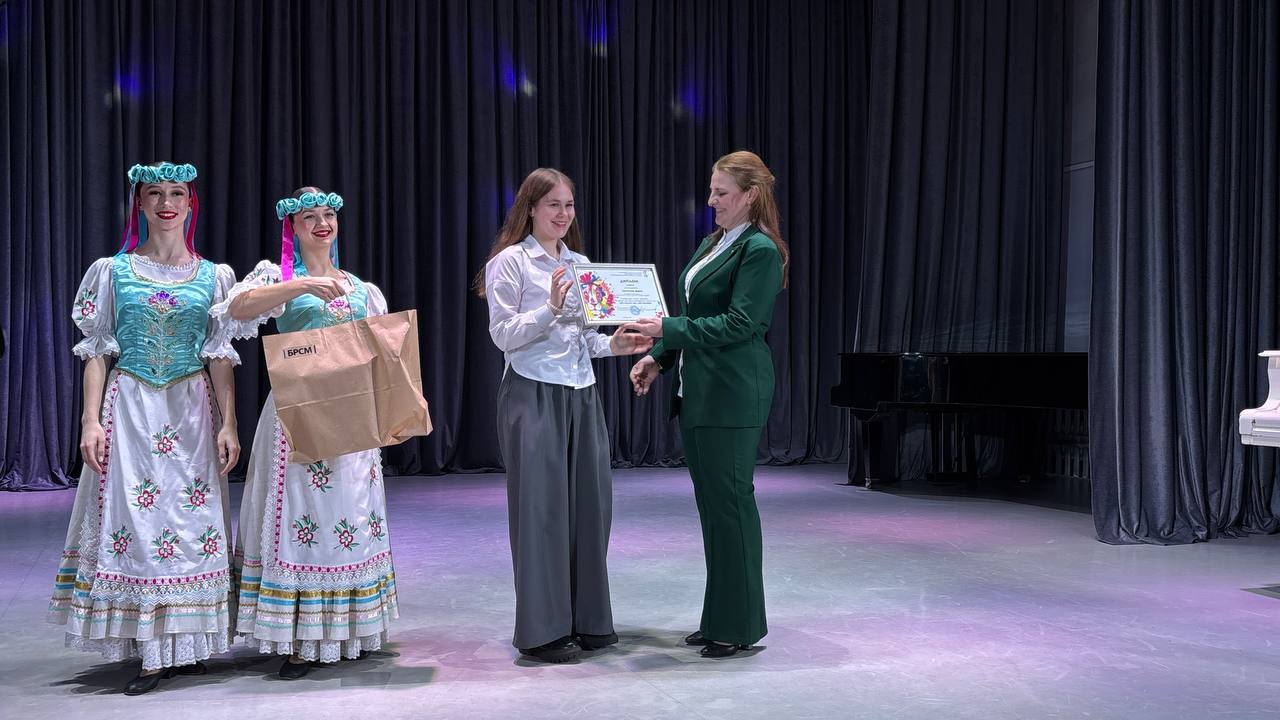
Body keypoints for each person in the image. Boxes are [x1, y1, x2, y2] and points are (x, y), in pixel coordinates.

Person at [49, 161, 241, 694]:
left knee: (192, 523)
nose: (166, 202)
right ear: (140, 203)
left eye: (176, 192)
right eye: (155, 193)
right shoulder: (112, 271)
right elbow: (96, 351)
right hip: (132, 408)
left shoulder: (215, 277)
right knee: (136, 521)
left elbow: (220, 355)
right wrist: (90, 420)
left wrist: (229, 423)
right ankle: (151, 651)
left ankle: (187, 644)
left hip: (192, 411)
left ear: (190, 203)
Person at [213, 187, 396, 679]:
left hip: (351, 414)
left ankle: (348, 628)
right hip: (298, 413)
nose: (322, 223)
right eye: (309, 216)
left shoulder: (361, 288)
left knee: (350, 515)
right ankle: (299, 634)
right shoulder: (278, 276)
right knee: (303, 515)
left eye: (328, 214)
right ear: (292, 227)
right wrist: (300, 286)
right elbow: (236, 309)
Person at [477, 168, 653, 663]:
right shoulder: (510, 262)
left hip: (581, 393)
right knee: (541, 512)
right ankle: (543, 632)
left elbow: (586, 339)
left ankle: (589, 620)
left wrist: (615, 346)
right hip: (531, 392)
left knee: (590, 509)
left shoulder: (581, 263)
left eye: (569, 205)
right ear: (531, 208)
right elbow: (503, 335)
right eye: (553, 204)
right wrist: (550, 309)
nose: (563, 214)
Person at [625, 150, 787, 658]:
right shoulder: (714, 243)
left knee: (731, 509)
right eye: (711, 190)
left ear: (750, 196)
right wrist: (657, 357)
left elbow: (741, 324)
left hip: (732, 395)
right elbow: (693, 315)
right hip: (698, 394)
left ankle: (738, 625)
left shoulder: (759, 249)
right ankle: (720, 617)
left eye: (721, 192)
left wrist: (666, 330)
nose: (711, 200)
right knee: (715, 512)